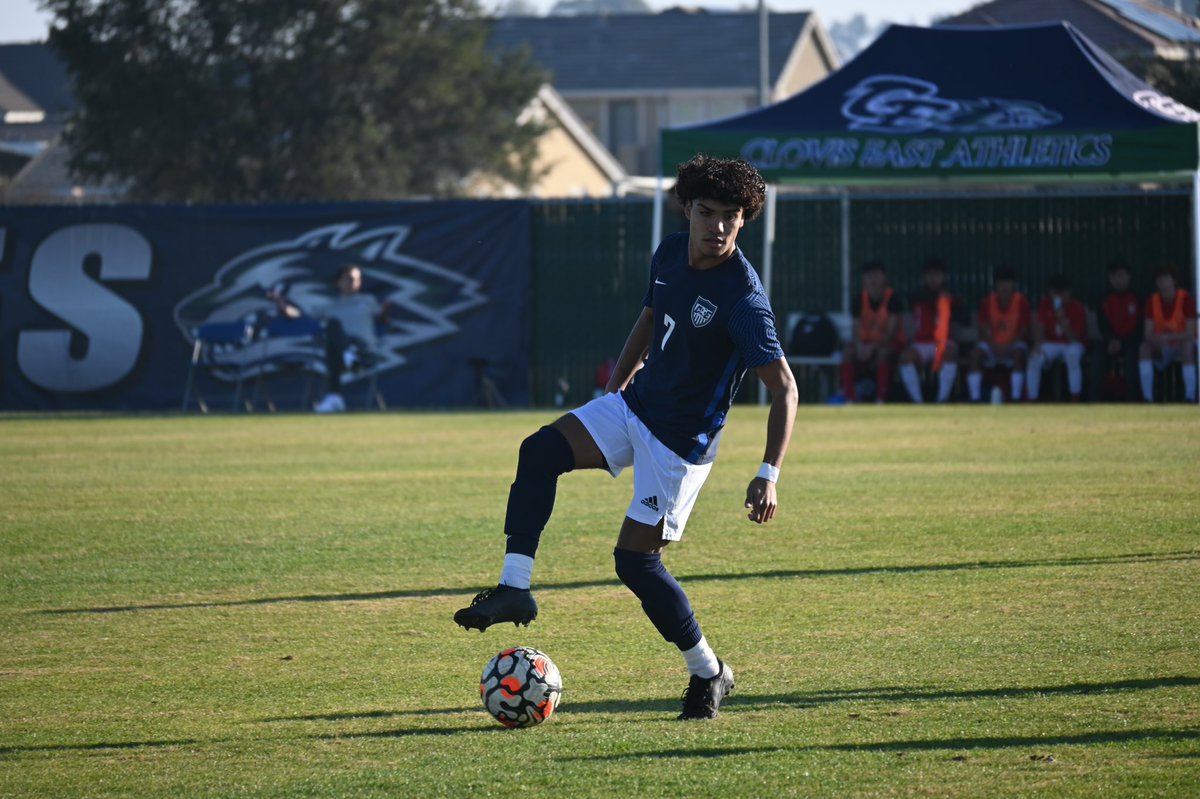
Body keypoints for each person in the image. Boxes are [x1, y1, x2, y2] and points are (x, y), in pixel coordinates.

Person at [453, 155, 797, 721]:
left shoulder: (744, 300)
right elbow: (650, 316)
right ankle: (515, 586)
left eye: (730, 217)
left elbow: (784, 388)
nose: (717, 226)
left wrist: (769, 473)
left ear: (744, 220)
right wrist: (613, 393)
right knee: (539, 450)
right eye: (706, 212)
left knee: (635, 563)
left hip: (678, 446)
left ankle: (708, 671)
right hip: (635, 407)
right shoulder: (670, 252)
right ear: (687, 208)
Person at [267, 263, 392, 413]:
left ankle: (340, 383)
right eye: (349, 279)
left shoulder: (368, 300)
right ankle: (343, 374)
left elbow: (383, 320)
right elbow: (301, 317)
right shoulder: (330, 306)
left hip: (364, 351)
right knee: (332, 326)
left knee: (332, 336)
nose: (353, 282)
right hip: (341, 355)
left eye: (357, 279)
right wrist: (281, 304)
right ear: (338, 282)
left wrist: (385, 312)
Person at [898, 258, 964, 403]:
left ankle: (942, 400)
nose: (933, 279)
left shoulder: (951, 295)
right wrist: (935, 298)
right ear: (924, 277)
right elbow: (909, 295)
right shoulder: (917, 295)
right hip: (921, 343)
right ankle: (918, 401)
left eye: (937, 275)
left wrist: (948, 302)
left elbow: (964, 317)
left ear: (943, 277)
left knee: (950, 354)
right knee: (905, 357)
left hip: (943, 342)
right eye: (929, 275)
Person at [839, 260, 902, 403]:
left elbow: (891, 332)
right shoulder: (859, 300)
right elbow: (856, 329)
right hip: (865, 345)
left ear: (884, 277)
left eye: (876, 275)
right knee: (848, 353)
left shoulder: (893, 299)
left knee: (883, 353)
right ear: (864, 279)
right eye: (869, 276)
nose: (873, 280)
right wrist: (859, 346)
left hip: (887, 345)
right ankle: (850, 397)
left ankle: (881, 397)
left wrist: (873, 347)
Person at [966, 266, 1030, 402]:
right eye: (1001, 283)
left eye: (1008, 282)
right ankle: (975, 398)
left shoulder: (1021, 302)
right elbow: (982, 328)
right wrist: (993, 345)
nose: (1004, 286)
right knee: (974, 355)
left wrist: (1008, 346)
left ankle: (1016, 397)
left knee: (1019, 355)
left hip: (1014, 344)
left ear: (1013, 284)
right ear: (995, 285)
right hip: (992, 344)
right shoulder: (987, 301)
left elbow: (1024, 330)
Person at [1138, 263, 1197, 403]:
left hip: (1182, 346)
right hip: (1163, 347)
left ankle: (1190, 396)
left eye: (1165, 277)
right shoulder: (1152, 301)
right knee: (1144, 348)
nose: (1162, 282)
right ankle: (1147, 398)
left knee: (1187, 346)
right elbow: (1147, 333)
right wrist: (1156, 340)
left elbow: (1190, 333)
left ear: (1174, 280)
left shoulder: (1186, 299)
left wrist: (1169, 337)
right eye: (1159, 278)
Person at [1026, 274, 1087, 402]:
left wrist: (1062, 319)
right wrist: (1036, 345)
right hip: (1051, 343)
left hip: (1073, 344)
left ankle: (1075, 399)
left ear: (1068, 292)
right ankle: (1032, 400)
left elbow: (1074, 338)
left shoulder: (1077, 307)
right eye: (1054, 293)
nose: (1058, 297)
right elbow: (1041, 327)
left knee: (1072, 356)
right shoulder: (1045, 304)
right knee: (1034, 358)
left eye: (1061, 293)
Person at [1095, 260, 1141, 401]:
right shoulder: (1104, 298)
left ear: (1128, 277)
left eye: (1121, 276)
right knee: (1098, 353)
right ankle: (1094, 398)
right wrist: (1111, 340)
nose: (1117, 280)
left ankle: (1133, 398)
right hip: (1111, 341)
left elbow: (1140, 327)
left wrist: (1122, 341)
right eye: (1114, 276)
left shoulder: (1138, 297)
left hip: (1132, 341)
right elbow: (1102, 325)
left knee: (1132, 354)